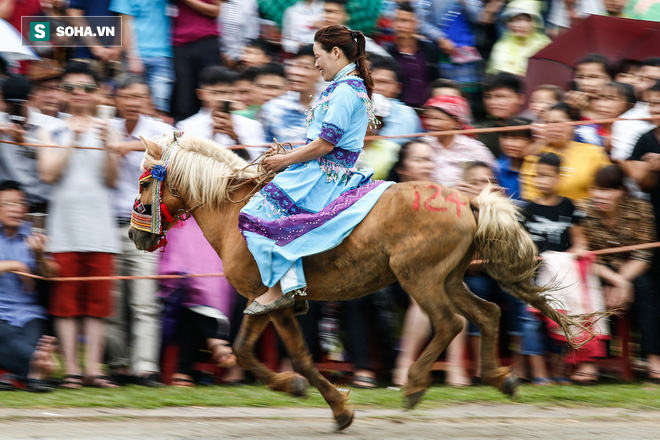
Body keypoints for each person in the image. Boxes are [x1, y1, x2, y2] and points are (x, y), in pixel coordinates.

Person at [239, 25, 394, 314]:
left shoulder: (346, 90)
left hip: (322, 176)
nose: (315, 63)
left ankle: (285, 287)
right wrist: (290, 154)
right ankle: (288, 286)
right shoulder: (345, 87)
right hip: (318, 168)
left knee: (255, 214)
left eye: (317, 56)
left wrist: (285, 161)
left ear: (336, 53)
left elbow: (325, 145)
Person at [37, 61, 121, 389]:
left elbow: (112, 180)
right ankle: (71, 369)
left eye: (86, 88)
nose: (78, 94)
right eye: (71, 88)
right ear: (62, 93)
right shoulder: (49, 128)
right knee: (67, 304)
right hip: (64, 228)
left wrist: (109, 147)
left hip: (100, 228)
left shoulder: (108, 127)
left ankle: (93, 369)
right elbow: (48, 174)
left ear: (96, 92)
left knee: (98, 305)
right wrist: (71, 139)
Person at [105, 75, 175, 387]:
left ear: (146, 99)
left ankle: (145, 367)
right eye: (127, 96)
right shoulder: (105, 125)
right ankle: (119, 364)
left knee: (145, 300)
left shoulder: (157, 128)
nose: (132, 102)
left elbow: (168, 146)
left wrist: (125, 146)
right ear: (116, 99)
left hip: (144, 224)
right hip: (108, 223)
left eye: (139, 96)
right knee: (114, 300)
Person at [576, 165, 659, 384]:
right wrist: (616, 281)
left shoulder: (641, 209)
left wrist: (622, 280)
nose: (600, 195)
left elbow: (644, 254)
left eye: (608, 190)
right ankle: (590, 362)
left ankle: (654, 360)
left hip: (633, 269)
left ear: (623, 191)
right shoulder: (582, 209)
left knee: (646, 288)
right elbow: (585, 254)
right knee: (587, 287)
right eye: (597, 189)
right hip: (598, 269)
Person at [520, 153, 587, 385]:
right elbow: (519, 245)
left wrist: (575, 252)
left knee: (562, 319)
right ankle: (540, 373)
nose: (541, 181)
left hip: (562, 276)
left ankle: (560, 370)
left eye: (547, 176)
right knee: (531, 321)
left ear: (559, 178)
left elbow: (579, 241)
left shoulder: (569, 206)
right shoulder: (526, 208)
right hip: (532, 277)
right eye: (537, 176)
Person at [0, 180, 59, 392]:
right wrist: (16, 264)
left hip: (29, 314)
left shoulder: (33, 235)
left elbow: (53, 275)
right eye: (8, 204)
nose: (16, 209)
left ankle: (18, 373)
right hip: (1, 313)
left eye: (20, 204)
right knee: (5, 336)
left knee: (30, 338)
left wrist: (38, 255)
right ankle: (38, 368)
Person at [519, 103, 611, 201]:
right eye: (547, 122)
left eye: (557, 123)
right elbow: (530, 195)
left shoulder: (594, 153)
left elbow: (607, 186)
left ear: (574, 125)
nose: (551, 127)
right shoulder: (535, 155)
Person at [176, 66, 265, 160]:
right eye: (216, 93)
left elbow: (257, 162)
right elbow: (187, 164)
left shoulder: (252, 126)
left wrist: (235, 138)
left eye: (228, 92)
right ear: (201, 94)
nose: (222, 98)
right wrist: (212, 136)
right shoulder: (186, 127)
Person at [110, 0, 174, 116]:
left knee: (160, 108)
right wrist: (132, 57)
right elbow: (125, 24)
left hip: (164, 57)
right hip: (137, 57)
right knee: (131, 105)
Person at [420, 94, 496, 187]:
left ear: (456, 122)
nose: (431, 123)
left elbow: (491, 179)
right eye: (429, 118)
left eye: (437, 118)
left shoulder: (474, 149)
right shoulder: (423, 144)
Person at [170, 0, 222, 122]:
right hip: (179, 45)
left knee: (211, 93)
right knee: (184, 100)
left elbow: (216, 11)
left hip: (206, 42)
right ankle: (183, 138)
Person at [260, 44, 319, 146]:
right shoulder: (273, 108)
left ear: (321, 72)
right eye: (293, 65)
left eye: (305, 67)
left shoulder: (333, 109)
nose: (295, 72)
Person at [384, 1, 440, 108]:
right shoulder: (388, 54)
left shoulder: (429, 50)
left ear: (415, 23)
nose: (400, 25)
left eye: (405, 21)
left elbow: (435, 81)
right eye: (396, 20)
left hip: (426, 110)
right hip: (399, 111)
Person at [486, 0, 550, 76]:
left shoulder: (544, 45)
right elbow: (497, 73)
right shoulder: (502, 45)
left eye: (523, 20)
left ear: (534, 22)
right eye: (512, 20)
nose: (516, 25)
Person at [369, 57, 423, 144]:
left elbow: (393, 146)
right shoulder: (354, 105)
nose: (376, 87)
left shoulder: (406, 114)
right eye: (371, 82)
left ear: (398, 87)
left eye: (383, 82)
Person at [477, 72, 527, 157]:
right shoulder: (481, 130)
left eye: (501, 96)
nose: (493, 102)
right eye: (488, 96)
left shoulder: (529, 129)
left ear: (520, 98)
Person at [495, 118, 532, 200]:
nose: (508, 143)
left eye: (518, 138)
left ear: (532, 141)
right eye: (505, 137)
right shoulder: (496, 168)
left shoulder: (539, 168)